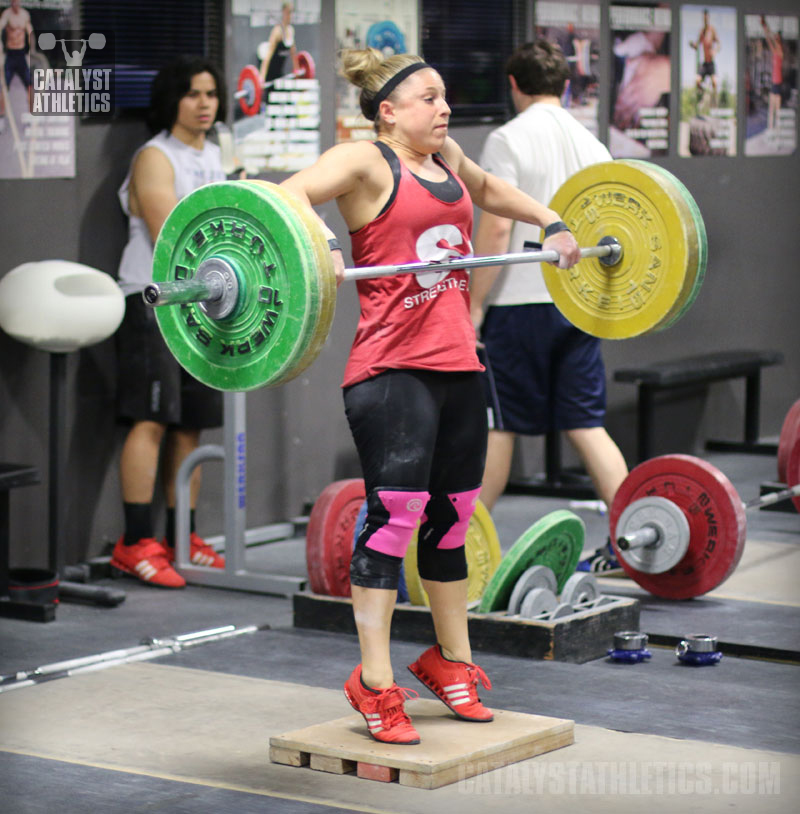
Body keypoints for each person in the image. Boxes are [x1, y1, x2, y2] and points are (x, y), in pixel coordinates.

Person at [280, 47, 580, 745]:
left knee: (451, 520)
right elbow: (289, 192)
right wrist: (324, 240)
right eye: (428, 98)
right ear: (388, 112)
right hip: (392, 371)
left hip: (457, 365)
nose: (444, 109)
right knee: (393, 521)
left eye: (444, 97)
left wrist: (553, 220)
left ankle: (453, 662)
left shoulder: (448, 163)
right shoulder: (363, 163)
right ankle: (376, 682)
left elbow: (496, 192)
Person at [468, 41, 628, 573]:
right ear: (563, 85)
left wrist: (473, 307)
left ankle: (461, 553)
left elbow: (496, 227)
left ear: (513, 85)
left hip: (518, 302)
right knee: (585, 423)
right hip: (578, 303)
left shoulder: (506, 138)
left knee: (500, 427)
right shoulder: (594, 144)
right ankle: (633, 541)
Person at [110, 56, 228, 588]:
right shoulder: (154, 157)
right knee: (151, 420)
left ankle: (184, 536)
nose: (204, 104)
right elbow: (169, 233)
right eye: (193, 94)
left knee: (190, 424)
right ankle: (135, 541)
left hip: (202, 303)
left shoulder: (217, 155)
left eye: (210, 94)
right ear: (173, 100)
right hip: (153, 299)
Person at [0, 0, 34, 133]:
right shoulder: (7, 15)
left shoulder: (25, 15)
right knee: (3, 87)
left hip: (21, 56)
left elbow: (29, 32)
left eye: (17, 1)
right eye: (13, 2)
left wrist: (31, 51)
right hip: (10, 55)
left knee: (30, 86)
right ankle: (1, 118)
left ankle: (31, 116)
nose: (15, 3)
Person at [259, 2, 296, 87]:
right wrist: (261, 77)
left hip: (281, 75)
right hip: (270, 75)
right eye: (288, 12)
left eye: (292, 12)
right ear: (283, 12)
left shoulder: (291, 30)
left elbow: (293, 53)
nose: (290, 16)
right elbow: (268, 55)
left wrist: (297, 71)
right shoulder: (277, 31)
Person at [691, 9, 720, 112]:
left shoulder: (712, 30)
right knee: (697, 81)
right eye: (703, 17)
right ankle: (703, 93)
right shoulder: (701, 32)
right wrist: (693, 45)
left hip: (710, 62)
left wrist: (715, 51)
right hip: (704, 63)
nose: (705, 19)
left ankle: (714, 103)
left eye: (706, 17)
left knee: (715, 83)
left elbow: (719, 44)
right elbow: (696, 45)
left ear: (708, 18)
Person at [762, 16, 784, 140]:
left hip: (778, 84)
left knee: (777, 110)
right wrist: (765, 28)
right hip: (773, 83)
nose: (775, 39)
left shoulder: (780, 51)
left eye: (777, 38)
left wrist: (767, 26)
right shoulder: (775, 50)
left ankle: (778, 130)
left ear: (779, 40)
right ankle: (770, 129)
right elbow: (769, 40)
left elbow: (773, 41)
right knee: (771, 109)